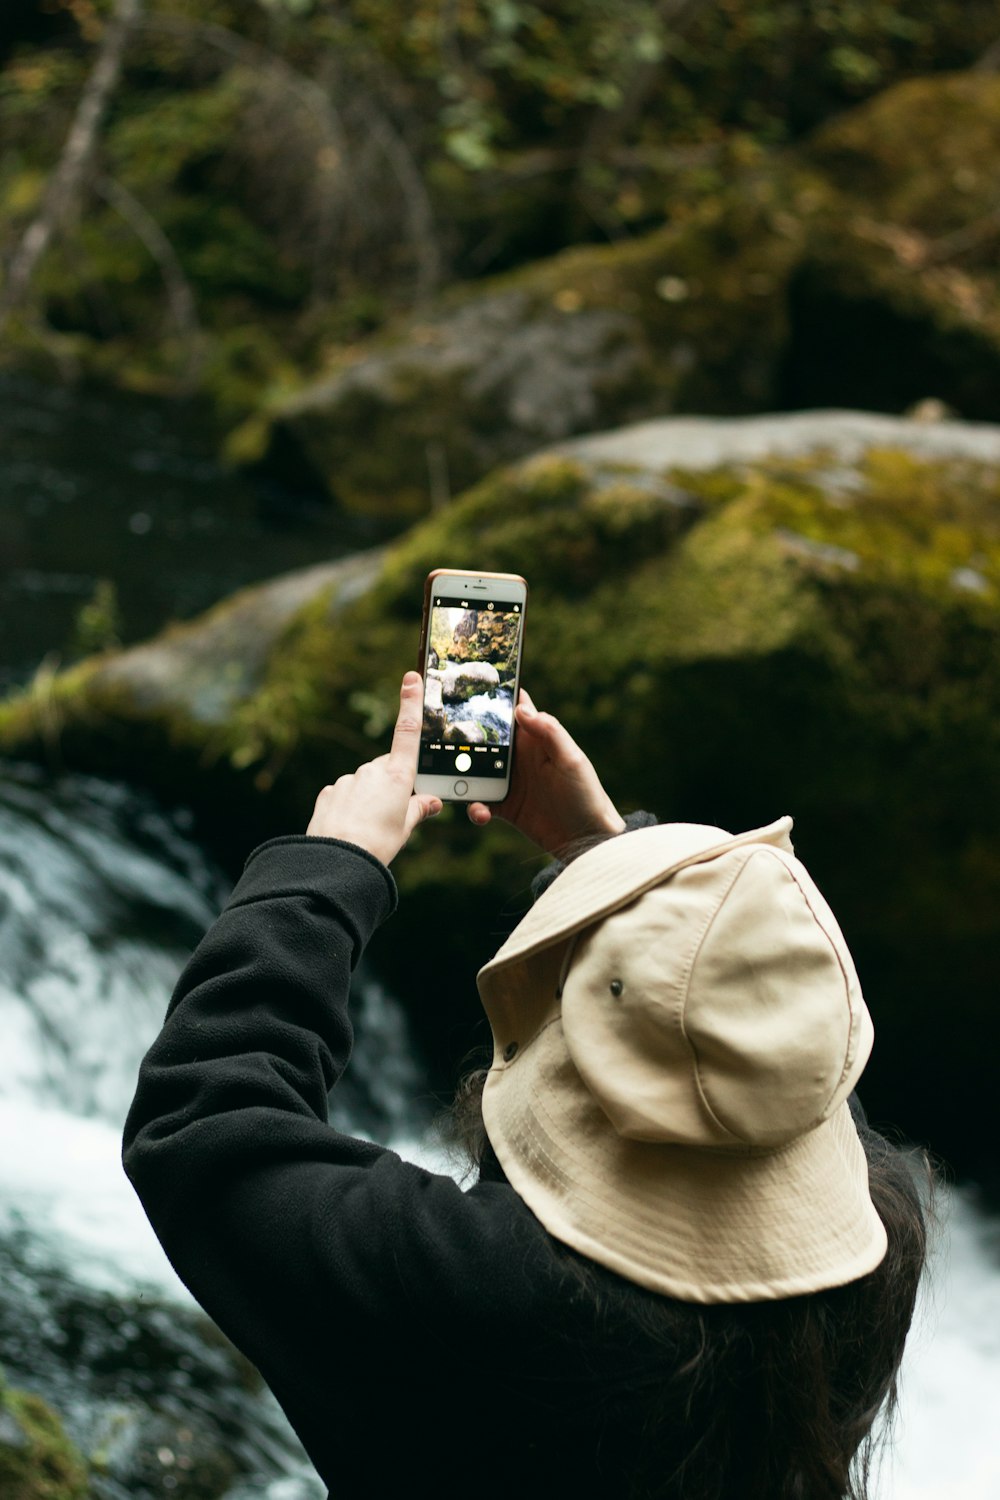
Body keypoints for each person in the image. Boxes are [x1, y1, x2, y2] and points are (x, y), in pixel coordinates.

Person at [123, 671, 928, 1500]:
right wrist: (610, 863)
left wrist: (328, 870)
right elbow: (744, 1048)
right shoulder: (875, 1240)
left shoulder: (492, 1288)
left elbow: (202, 1122)